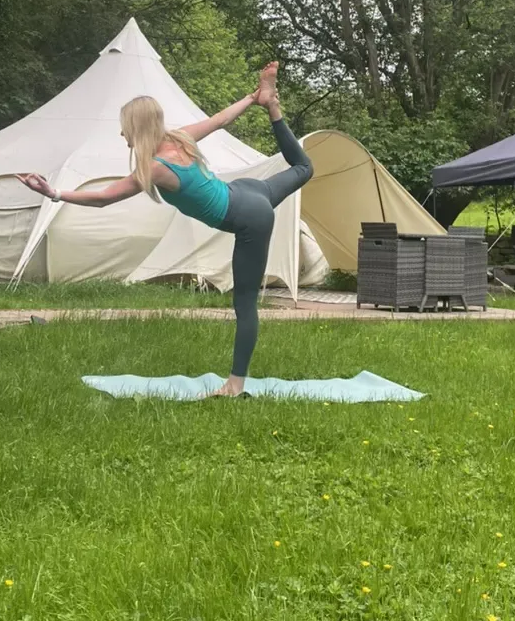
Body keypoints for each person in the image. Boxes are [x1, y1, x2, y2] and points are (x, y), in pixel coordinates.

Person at [17, 62, 313, 397]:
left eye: (124, 127)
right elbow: (220, 120)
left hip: (249, 217)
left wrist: (54, 193)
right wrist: (252, 98)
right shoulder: (180, 138)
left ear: (137, 128)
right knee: (304, 167)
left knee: (245, 304)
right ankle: (271, 107)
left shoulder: (156, 168)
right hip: (248, 193)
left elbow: (103, 198)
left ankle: (235, 385)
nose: (121, 134)